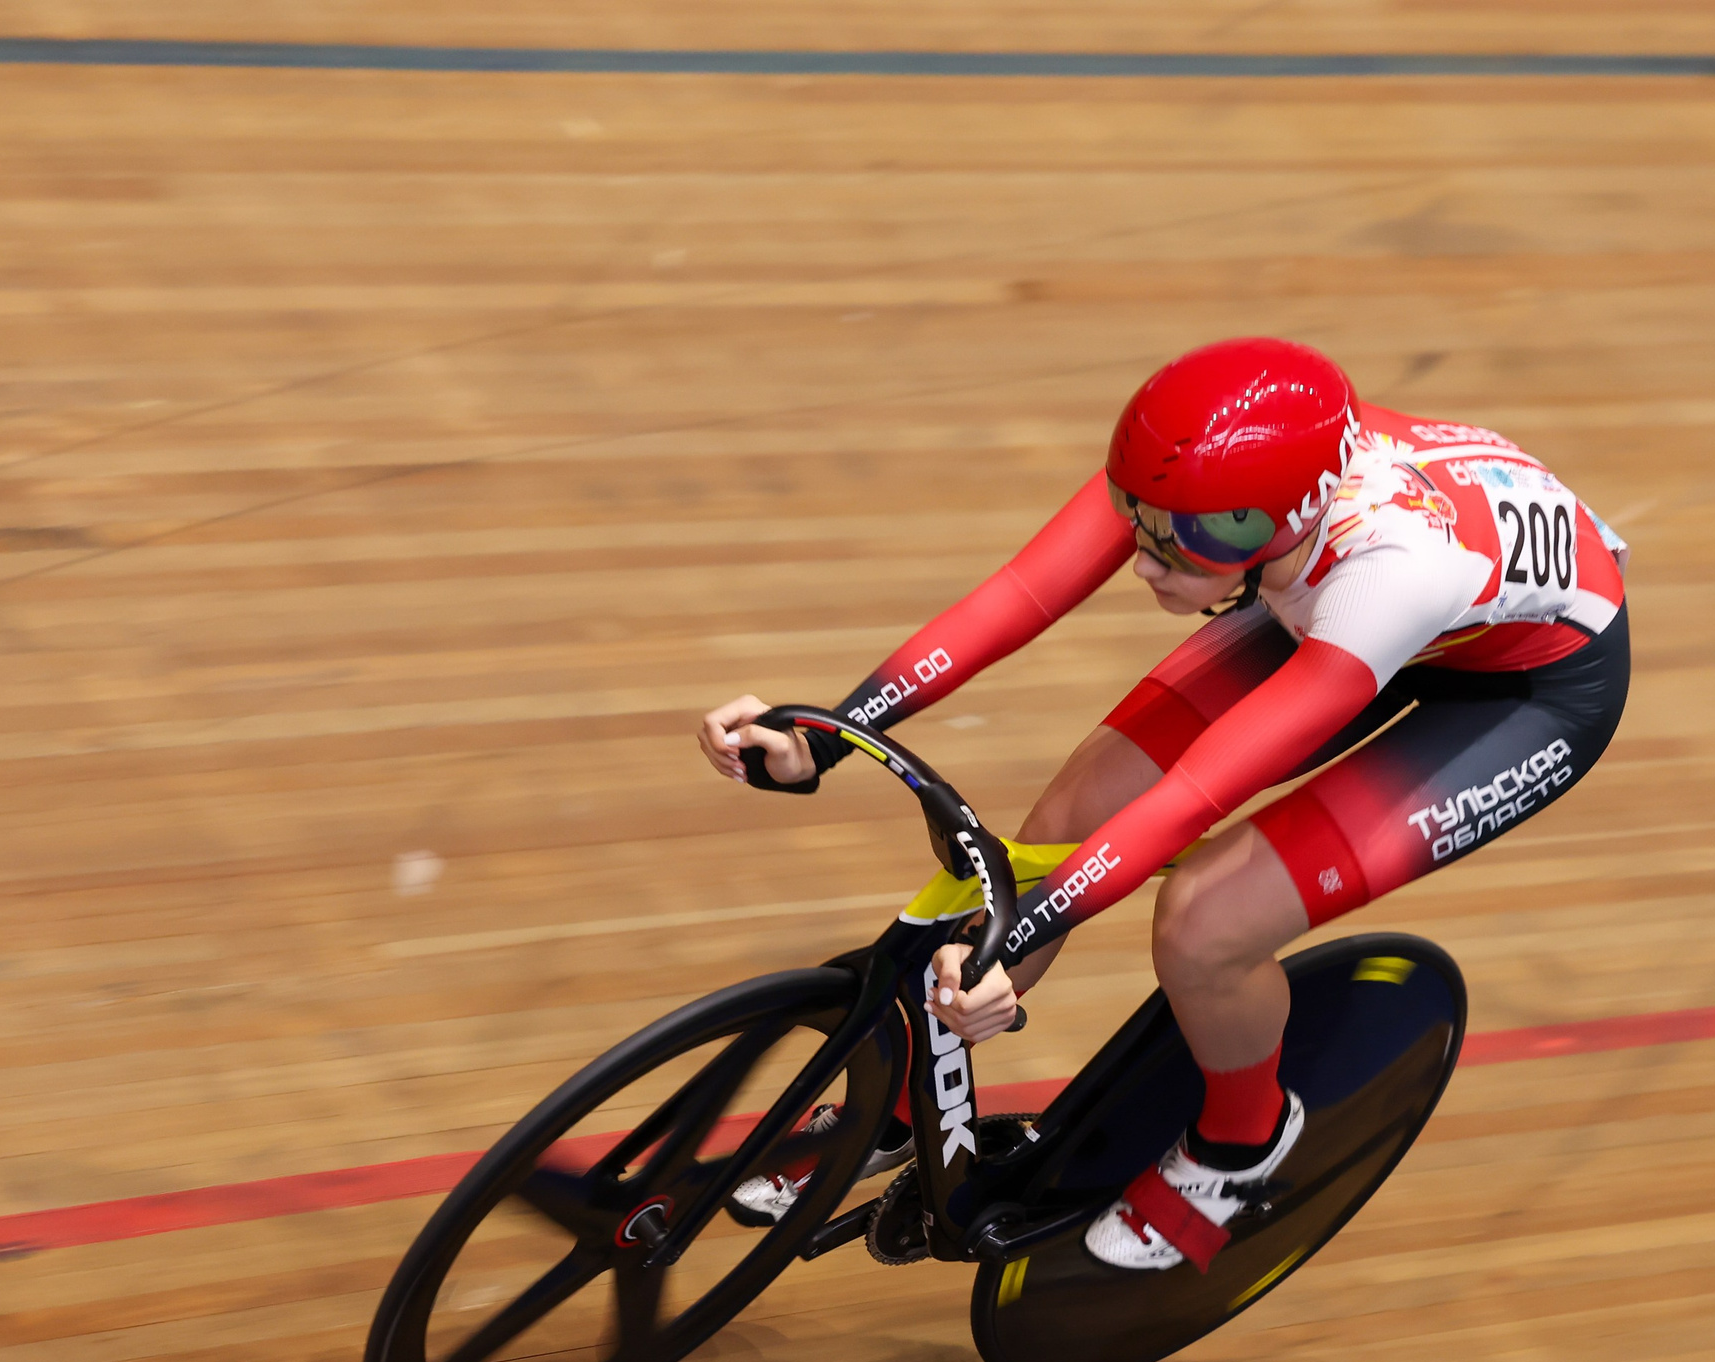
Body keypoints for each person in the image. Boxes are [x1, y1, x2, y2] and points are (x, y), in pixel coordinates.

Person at [698, 338, 1628, 1273]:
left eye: (1183, 546)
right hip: (1344, 598)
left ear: (1275, 520)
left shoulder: (1388, 571)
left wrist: (1011, 941)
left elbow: (1194, 797)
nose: (1147, 561)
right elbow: (1019, 596)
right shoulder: (1202, 480)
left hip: (1529, 687)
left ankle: (1241, 1149)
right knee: (1065, 820)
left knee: (1205, 921)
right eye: (1140, 524)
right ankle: (900, 1101)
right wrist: (827, 731)